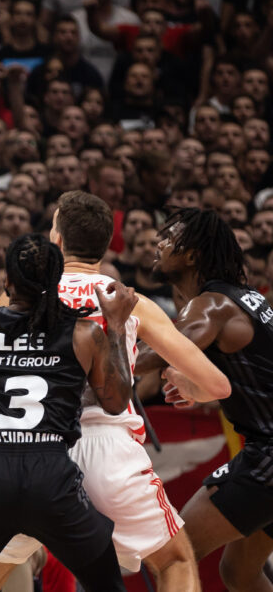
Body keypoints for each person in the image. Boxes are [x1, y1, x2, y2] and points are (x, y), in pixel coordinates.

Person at [0, 191, 231, 591]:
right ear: (110, 244)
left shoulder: (17, 296)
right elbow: (218, 385)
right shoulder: (133, 302)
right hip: (105, 448)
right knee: (175, 560)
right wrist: (188, 387)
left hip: (25, 449)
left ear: (57, 240)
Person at [0, 233, 135, 592]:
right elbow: (115, 401)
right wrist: (118, 327)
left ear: (7, 281)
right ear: (56, 283)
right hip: (52, 473)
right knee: (108, 585)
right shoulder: (83, 332)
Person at [153, 208, 273, 592]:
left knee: (174, 555)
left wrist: (88, 355)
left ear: (191, 255)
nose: (159, 243)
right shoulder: (248, 299)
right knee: (239, 572)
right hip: (266, 454)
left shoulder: (212, 304)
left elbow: (164, 350)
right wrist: (194, 387)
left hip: (267, 459)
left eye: (169, 238)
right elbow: (235, 381)